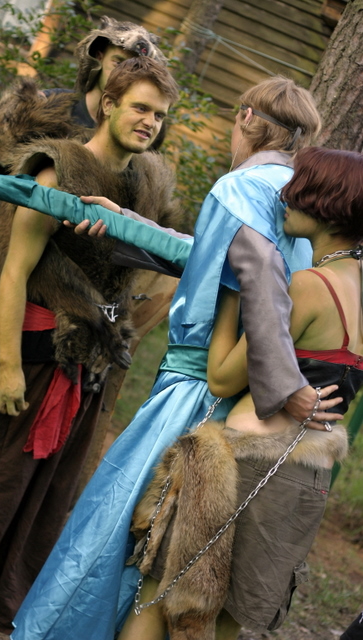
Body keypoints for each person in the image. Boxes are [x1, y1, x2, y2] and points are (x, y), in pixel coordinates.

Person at [9, 77, 338, 640]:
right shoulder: (302, 196)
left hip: (199, 387)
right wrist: (126, 223)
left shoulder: (242, 187)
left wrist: (285, 383)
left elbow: (261, 281)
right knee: (174, 547)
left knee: (125, 527)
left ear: (246, 117)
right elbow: (213, 258)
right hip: (245, 398)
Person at [0, 56, 180, 633]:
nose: (149, 122)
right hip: (30, 345)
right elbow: (14, 271)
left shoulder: (146, 180)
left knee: (39, 487)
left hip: (87, 359)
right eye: (140, 107)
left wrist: (124, 226)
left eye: (159, 114)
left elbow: (163, 260)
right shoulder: (56, 169)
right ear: (109, 103)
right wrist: (8, 366)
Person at [122, 146, 363, 639]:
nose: (285, 198)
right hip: (309, 475)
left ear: (327, 206)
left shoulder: (310, 287)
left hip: (246, 465)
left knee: (163, 598)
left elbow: (222, 378)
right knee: (229, 622)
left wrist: (236, 293)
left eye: (299, 190)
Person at [0, 15, 167, 446]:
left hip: (69, 285)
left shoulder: (138, 132)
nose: (125, 71)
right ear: (98, 58)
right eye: (117, 60)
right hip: (5, 251)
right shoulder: (52, 106)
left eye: (136, 64)